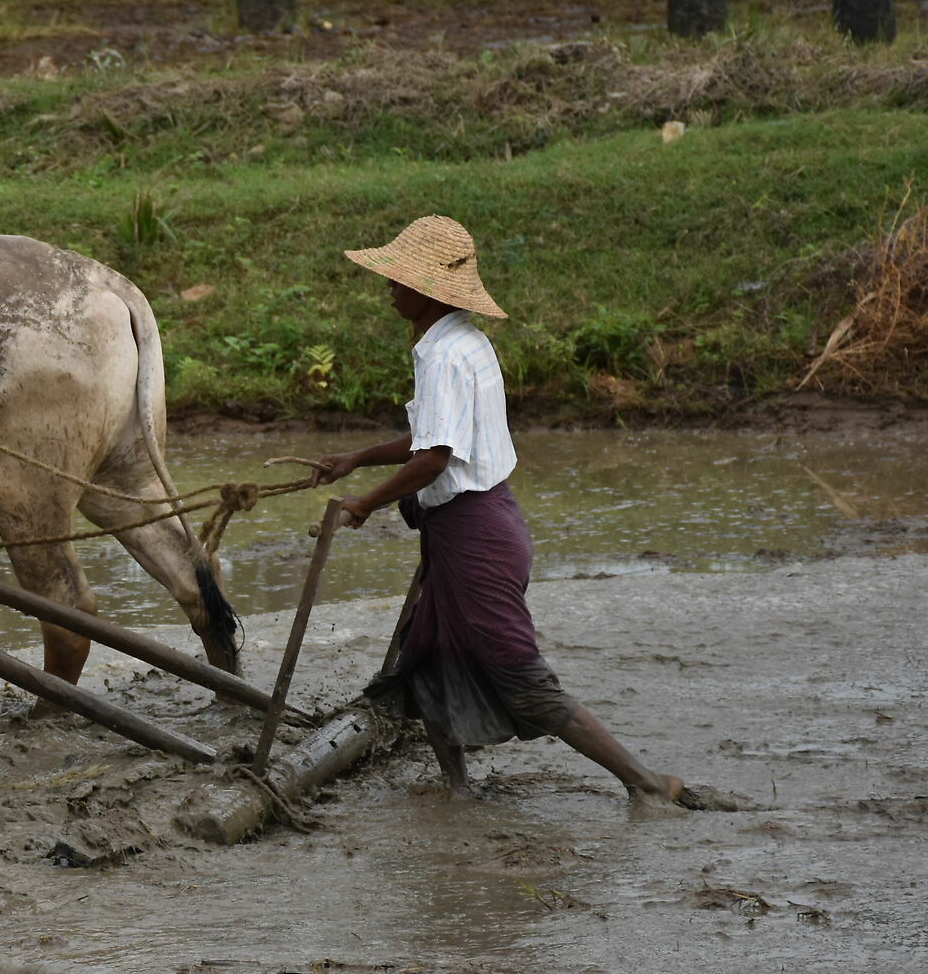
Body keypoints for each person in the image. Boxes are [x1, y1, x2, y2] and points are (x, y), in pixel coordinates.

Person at [312, 216, 736, 810]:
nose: (387, 287)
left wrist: (363, 503)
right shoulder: (461, 343)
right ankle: (456, 790)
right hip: (476, 525)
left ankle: (646, 783)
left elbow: (434, 458)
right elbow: (427, 434)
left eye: (396, 277)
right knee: (427, 660)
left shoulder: (443, 357)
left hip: (475, 535)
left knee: (520, 676)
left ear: (428, 290)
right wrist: (355, 459)